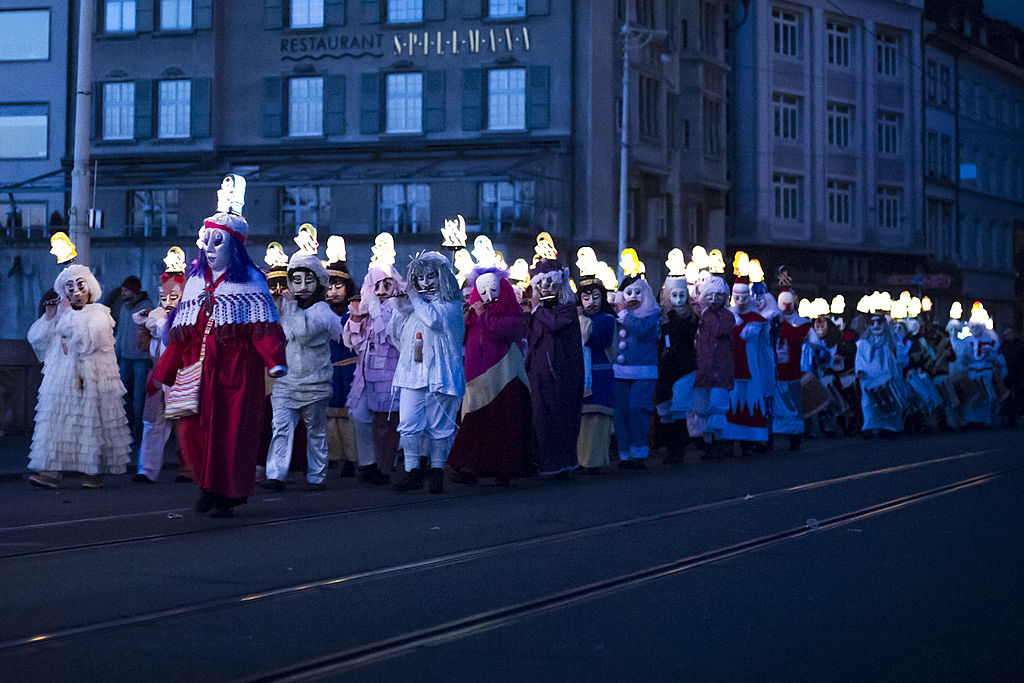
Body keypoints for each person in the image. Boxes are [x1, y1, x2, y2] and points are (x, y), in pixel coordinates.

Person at [153, 195, 288, 518]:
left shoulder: (252, 281)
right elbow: (182, 332)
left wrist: (275, 359)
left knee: (230, 434)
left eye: (219, 241)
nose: (211, 248)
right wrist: (163, 371)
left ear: (234, 247)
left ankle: (227, 493)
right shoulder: (195, 281)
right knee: (192, 430)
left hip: (236, 373)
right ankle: (206, 484)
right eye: (207, 241)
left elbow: (264, 328)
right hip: (198, 372)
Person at [27, 263, 131, 488]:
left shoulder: (99, 314)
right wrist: (49, 317)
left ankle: (91, 472)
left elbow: (86, 340)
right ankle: (49, 471)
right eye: (70, 288)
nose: (76, 292)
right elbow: (37, 340)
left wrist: (65, 316)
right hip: (61, 377)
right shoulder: (60, 314)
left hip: (88, 377)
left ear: (89, 288)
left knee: (88, 422)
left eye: (80, 286)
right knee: (57, 420)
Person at [262, 249, 342, 492]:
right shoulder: (287, 306)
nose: (303, 286)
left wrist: (291, 308)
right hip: (286, 383)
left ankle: (317, 476)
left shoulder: (322, 310)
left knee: (315, 431)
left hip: (314, 384)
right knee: (281, 429)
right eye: (297, 281)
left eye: (309, 280)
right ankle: (275, 475)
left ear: (318, 282)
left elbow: (305, 334)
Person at [389, 252, 466, 493]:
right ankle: (412, 470)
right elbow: (397, 338)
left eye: (430, 277)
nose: (424, 284)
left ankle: (437, 471)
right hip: (412, 373)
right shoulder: (416, 306)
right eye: (419, 278)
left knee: (439, 426)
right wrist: (400, 308)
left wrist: (415, 301)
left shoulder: (451, 304)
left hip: (440, 374)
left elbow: (434, 321)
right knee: (409, 424)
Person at [448, 266, 532, 485]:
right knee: (474, 420)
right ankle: (471, 467)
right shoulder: (475, 313)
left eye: (492, 289)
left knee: (503, 421)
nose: (487, 295)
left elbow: (505, 331)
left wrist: (484, 314)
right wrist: (467, 318)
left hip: (504, 377)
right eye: (482, 290)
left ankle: (504, 469)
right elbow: (461, 337)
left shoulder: (510, 312)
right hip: (476, 377)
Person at [344, 261, 404, 485]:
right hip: (366, 373)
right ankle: (368, 463)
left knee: (386, 422)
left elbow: (388, 334)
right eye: (375, 285)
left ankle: (384, 467)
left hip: (388, 374)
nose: (380, 291)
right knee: (359, 415)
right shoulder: (368, 308)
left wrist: (376, 308)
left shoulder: (397, 308)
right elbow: (353, 343)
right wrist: (356, 319)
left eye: (386, 285)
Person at [132, 250, 188, 483]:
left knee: (185, 424)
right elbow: (145, 346)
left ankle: (189, 468)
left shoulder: (186, 319)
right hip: (158, 380)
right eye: (163, 298)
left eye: (173, 297)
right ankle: (147, 468)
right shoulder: (153, 321)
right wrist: (145, 326)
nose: (167, 303)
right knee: (152, 422)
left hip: (183, 378)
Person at [526, 259, 584, 478]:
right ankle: (546, 460)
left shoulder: (566, 308)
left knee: (558, 417)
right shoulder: (539, 310)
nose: (545, 286)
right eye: (541, 283)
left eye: (550, 281)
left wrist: (537, 310)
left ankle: (559, 461)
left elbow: (556, 325)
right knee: (540, 418)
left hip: (559, 373)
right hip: (538, 372)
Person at [612, 274, 660, 469]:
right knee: (620, 412)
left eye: (637, 292)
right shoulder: (618, 314)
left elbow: (641, 330)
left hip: (643, 371)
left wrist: (623, 314)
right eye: (628, 293)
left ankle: (639, 451)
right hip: (620, 371)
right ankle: (624, 454)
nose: (633, 297)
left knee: (637, 409)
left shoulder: (651, 313)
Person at [723, 277, 773, 453]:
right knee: (730, 402)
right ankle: (728, 441)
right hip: (730, 368)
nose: (741, 302)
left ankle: (750, 441)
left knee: (750, 401)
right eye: (737, 298)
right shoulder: (728, 316)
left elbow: (748, 336)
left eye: (744, 298)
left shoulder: (756, 320)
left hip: (751, 369)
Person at [655, 274, 698, 464]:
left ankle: (677, 448)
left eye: (682, 296)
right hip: (667, 366)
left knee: (680, 408)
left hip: (685, 366)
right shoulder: (663, 319)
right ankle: (669, 446)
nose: (679, 301)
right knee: (667, 407)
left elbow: (687, 336)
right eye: (675, 296)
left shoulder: (691, 319)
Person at [690, 276, 734, 459]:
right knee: (702, 408)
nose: (715, 299)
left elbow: (719, 330)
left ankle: (719, 442)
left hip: (720, 368)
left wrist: (706, 313)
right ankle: (707, 442)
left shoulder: (727, 316)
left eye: (718, 295)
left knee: (718, 407)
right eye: (711, 295)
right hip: (702, 368)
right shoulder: (698, 316)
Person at [575, 274, 616, 474]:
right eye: (586, 297)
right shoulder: (576, 320)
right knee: (582, 421)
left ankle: (594, 460)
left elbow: (595, 338)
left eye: (596, 297)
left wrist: (581, 318)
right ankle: (581, 459)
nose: (591, 302)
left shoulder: (607, 320)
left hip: (599, 376)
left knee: (597, 420)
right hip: (581, 375)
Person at [324, 250, 359, 477]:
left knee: (349, 416)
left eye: (338, 286)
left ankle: (351, 458)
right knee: (329, 416)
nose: (333, 291)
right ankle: (332, 455)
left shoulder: (354, 312)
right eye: (329, 286)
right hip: (327, 369)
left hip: (349, 368)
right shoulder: (318, 311)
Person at [854, 314, 909, 438]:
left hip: (889, 376)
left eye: (879, 322)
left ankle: (891, 427)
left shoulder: (892, 341)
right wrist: (860, 370)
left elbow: (903, 358)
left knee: (890, 399)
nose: (876, 326)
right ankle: (870, 427)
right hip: (870, 378)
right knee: (869, 403)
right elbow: (859, 359)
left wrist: (895, 351)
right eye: (873, 323)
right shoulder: (863, 343)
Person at [115, 275, 154, 443]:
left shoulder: (146, 308)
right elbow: (121, 333)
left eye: (126, 290)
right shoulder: (125, 308)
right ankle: (125, 428)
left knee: (139, 396)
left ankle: (138, 430)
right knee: (121, 394)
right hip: (125, 359)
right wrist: (116, 355)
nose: (123, 293)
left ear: (134, 291)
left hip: (141, 359)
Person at [773, 288, 812, 450]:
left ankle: (795, 437)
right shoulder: (772, 322)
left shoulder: (802, 323)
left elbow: (798, 338)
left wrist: (783, 325)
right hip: (775, 372)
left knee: (793, 405)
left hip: (793, 372)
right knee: (774, 406)